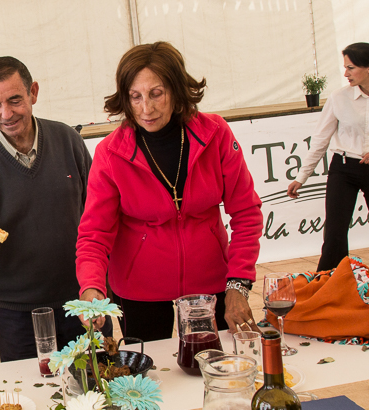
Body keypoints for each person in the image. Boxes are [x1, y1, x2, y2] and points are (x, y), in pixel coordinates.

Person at [76, 42, 263, 341]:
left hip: (211, 284)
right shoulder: (110, 153)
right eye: (135, 97)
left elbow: (246, 213)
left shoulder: (215, 134)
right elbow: (94, 233)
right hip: (139, 289)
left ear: (176, 91)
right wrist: (91, 286)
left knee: (215, 369)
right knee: (153, 378)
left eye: (156, 94)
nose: (146, 109)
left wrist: (238, 285)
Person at [0, 56, 107, 361]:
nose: (5, 114)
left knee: (97, 386)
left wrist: (100, 284)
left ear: (33, 92)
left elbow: (99, 215)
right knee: (32, 397)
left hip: (81, 299)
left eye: (15, 100)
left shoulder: (67, 141)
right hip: (16, 315)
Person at [287, 43, 369, 323]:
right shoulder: (339, 97)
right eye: (345, 67)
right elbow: (320, 140)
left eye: (350, 67)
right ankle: (325, 301)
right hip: (343, 170)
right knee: (334, 236)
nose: (345, 73)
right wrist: (301, 177)